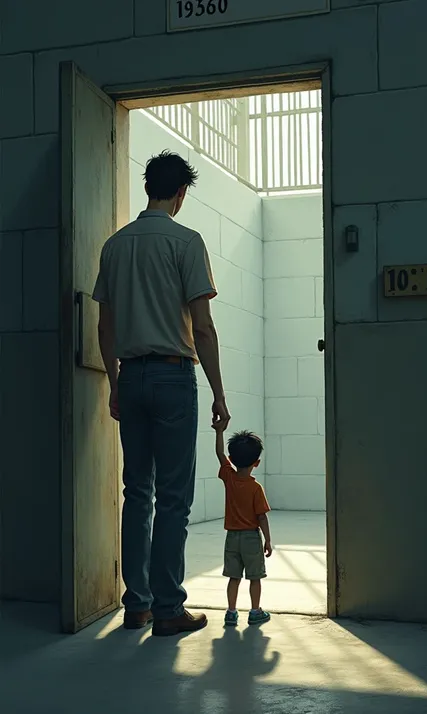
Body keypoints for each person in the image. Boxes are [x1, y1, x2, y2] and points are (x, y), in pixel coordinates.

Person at [92, 150, 230, 637]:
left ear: (148, 186)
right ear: (181, 192)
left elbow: (104, 325)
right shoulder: (186, 242)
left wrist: (114, 380)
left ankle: (137, 605)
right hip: (173, 377)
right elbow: (204, 327)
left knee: (137, 492)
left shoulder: (115, 246)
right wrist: (218, 392)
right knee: (173, 499)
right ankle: (169, 609)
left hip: (130, 377)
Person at [213, 422, 272, 626]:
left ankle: (231, 612)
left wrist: (219, 431)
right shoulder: (256, 488)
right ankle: (255, 611)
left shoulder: (229, 477)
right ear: (257, 462)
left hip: (232, 537)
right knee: (255, 577)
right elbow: (262, 517)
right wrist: (268, 540)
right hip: (250, 538)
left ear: (232, 459)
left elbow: (220, 453)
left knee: (233, 577)